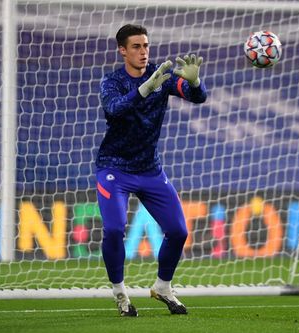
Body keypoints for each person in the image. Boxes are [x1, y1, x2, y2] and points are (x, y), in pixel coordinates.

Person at [95, 24, 207, 317]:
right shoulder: (112, 81)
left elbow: (197, 97)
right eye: (136, 47)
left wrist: (195, 84)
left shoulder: (162, 75)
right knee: (115, 229)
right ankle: (120, 292)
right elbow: (115, 109)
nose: (143, 52)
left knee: (178, 231)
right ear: (122, 50)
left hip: (149, 170)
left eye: (145, 46)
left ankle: (163, 287)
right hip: (114, 168)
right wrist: (145, 89)